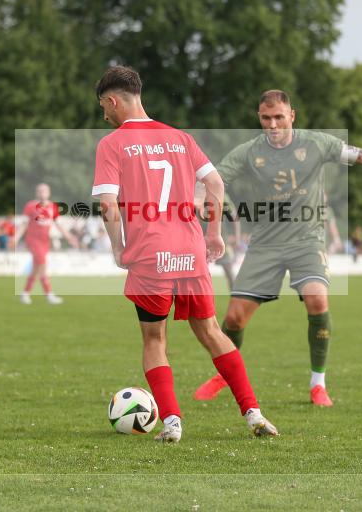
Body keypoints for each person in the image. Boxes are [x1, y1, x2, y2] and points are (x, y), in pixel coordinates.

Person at [194, 90, 362, 407]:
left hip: (307, 240)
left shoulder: (317, 144)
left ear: (292, 116)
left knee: (317, 298)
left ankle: (318, 384)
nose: (272, 124)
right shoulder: (248, 151)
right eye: (265, 118)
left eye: (278, 117)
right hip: (266, 243)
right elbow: (212, 180)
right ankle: (224, 375)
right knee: (234, 319)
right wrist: (225, 209)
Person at [92, 66, 277, 442]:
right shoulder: (180, 137)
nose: (104, 114)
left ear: (112, 101)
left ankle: (172, 422)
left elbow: (108, 204)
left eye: (103, 107)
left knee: (154, 340)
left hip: (149, 253)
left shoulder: (111, 143)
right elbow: (215, 182)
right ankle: (253, 413)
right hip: (189, 250)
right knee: (210, 331)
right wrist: (213, 234)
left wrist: (117, 247)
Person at [20, 183, 78, 304]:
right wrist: (15, 237)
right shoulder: (30, 206)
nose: (42, 193)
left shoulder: (53, 206)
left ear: (49, 193)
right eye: (40, 191)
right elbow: (24, 224)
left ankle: (25, 293)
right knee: (42, 265)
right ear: (37, 193)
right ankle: (49, 294)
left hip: (45, 241)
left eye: (45, 191)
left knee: (36, 268)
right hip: (33, 240)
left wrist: (69, 237)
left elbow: (59, 224)